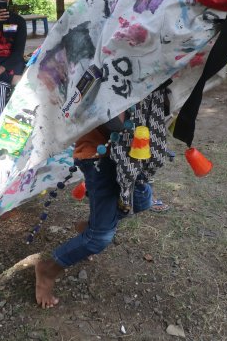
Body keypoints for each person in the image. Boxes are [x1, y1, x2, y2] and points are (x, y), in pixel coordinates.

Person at [34, 125, 154, 308]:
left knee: (142, 200)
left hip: (132, 151)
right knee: (99, 238)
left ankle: (92, 226)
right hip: (98, 154)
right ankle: (47, 270)